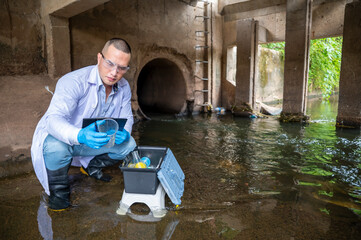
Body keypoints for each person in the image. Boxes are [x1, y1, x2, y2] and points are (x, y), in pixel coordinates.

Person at [31, 38, 136, 211]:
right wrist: (79, 135)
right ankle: (59, 195)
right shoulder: (74, 81)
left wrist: (125, 131)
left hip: (94, 141)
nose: (114, 72)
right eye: (110, 63)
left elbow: (127, 117)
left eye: (122, 68)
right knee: (55, 147)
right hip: (67, 141)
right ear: (99, 58)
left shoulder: (123, 86)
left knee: (129, 144)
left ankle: (91, 167)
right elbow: (52, 120)